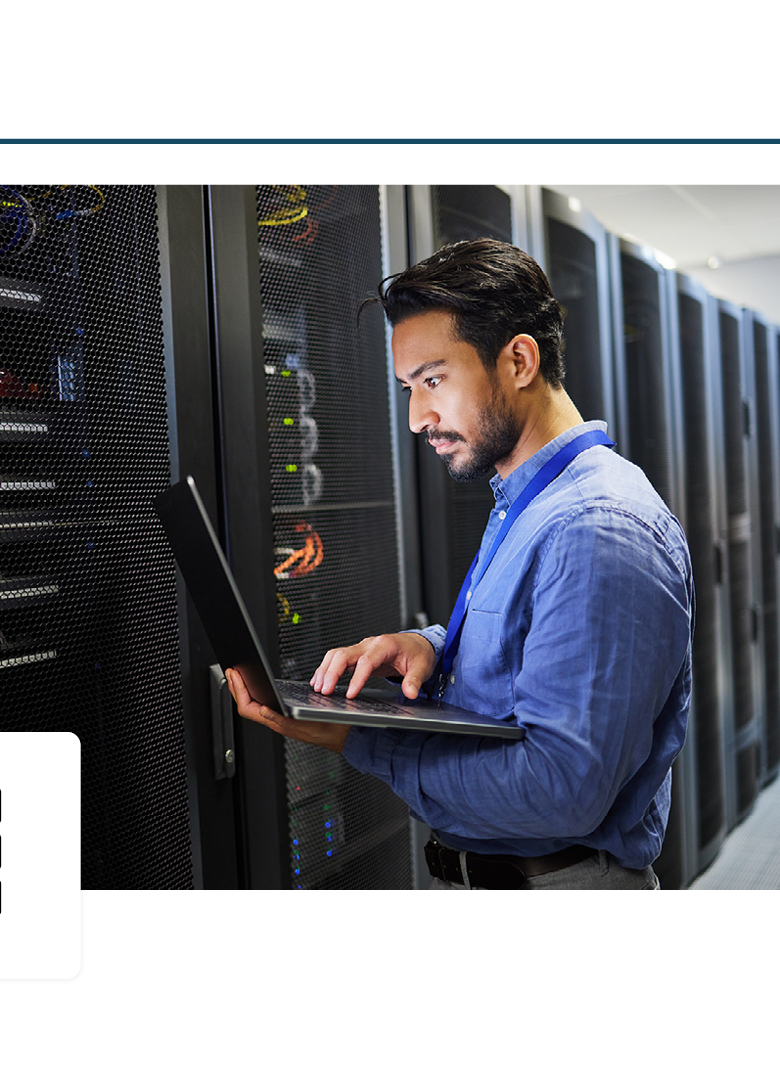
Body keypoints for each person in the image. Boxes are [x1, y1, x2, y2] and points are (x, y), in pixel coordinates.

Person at [226, 238, 693, 890]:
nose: (418, 417)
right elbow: (537, 645)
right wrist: (427, 647)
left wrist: (357, 740)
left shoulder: (597, 529)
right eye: (408, 389)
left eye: (434, 381)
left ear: (520, 360)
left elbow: (562, 790)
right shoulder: (530, 502)